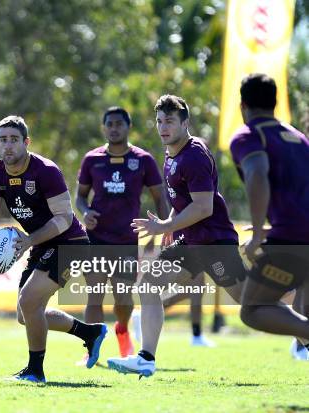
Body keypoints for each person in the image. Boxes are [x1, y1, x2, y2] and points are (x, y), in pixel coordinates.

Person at [107, 95, 246, 377]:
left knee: (252, 302)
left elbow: (204, 207)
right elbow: (183, 202)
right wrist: (169, 222)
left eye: (169, 121)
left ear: (185, 123)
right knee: (148, 284)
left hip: (212, 243)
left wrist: (166, 228)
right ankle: (146, 359)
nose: (163, 127)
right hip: (191, 242)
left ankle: (302, 331)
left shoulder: (193, 155)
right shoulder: (172, 153)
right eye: (159, 121)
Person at [0, 115, 107, 383]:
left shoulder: (46, 170)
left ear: (26, 142)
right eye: (3, 140)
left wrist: (28, 240)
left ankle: (35, 371)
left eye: (14, 140)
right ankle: (90, 333)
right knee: (25, 314)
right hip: (42, 244)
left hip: (70, 243)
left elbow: (63, 218)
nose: (8, 146)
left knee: (29, 301)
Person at [75, 106, 169, 361]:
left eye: (119, 123)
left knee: (123, 300)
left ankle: (122, 329)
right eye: (110, 124)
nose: (114, 128)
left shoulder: (143, 160)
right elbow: (80, 197)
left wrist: (167, 225)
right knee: (94, 296)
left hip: (127, 240)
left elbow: (160, 197)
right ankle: (90, 349)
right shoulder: (92, 160)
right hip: (96, 238)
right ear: (104, 127)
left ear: (129, 127)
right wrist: (84, 213)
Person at [229, 73, 309, 360]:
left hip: (291, 238)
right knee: (301, 311)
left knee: (252, 310)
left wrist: (261, 229)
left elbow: (257, 174)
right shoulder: (298, 138)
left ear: (243, 105)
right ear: (275, 103)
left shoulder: (249, 135)